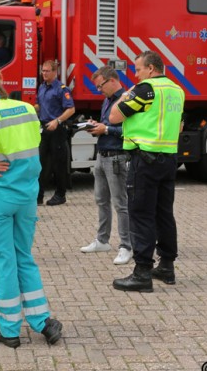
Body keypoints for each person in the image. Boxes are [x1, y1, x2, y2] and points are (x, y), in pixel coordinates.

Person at [0, 65, 63, 348]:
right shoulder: (26, 109)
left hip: (0, 199)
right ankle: (42, 321)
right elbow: (33, 144)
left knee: (4, 261)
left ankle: (9, 330)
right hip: (27, 196)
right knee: (24, 256)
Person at [109, 50, 185, 292]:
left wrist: (125, 95)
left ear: (151, 69)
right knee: (164, 214)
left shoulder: (145, 90)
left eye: (138, 69)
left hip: (145, 160)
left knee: (141, 215)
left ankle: (142, 272)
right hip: (168, 159)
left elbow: (113, 117)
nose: (136, 74)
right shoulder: (177, 90)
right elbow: (180, 125)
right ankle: (167, 266)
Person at [80, 66, 132, 265]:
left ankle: (126, 246)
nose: (99, 90)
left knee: (121, 204)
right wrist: (97, 125)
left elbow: (129, 130)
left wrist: (107, 129)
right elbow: (107, 125)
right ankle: (102, 240)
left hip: (117, 157)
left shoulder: (126, 100)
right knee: (101, 200)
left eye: (100, 86)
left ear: (112, 81)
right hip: (102, 156)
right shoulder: (107, 100)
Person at [35, 60, 75, 206]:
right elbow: (40, 105)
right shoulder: (41, 87)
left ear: (54, 72)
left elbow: (71, 109)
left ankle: (60, 194)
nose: (44, 73)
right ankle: (38, 196)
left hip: (57, 129)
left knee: (59, 164)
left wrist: (57, 121)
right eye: (43, 71)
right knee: (41, 163)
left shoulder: (61, 89)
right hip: (44, 129)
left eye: (47, 71)